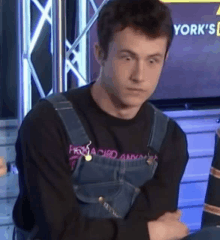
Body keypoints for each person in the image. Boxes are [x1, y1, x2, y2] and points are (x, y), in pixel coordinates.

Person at [12, 0, 190, 239]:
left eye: (152, 61)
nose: (140, 76)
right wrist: (151, 232)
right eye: (127, 58)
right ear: (100, 54)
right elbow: (60, 233)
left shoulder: (170, 139)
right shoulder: (47, 123)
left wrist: (148, 232)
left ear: (165, 59)